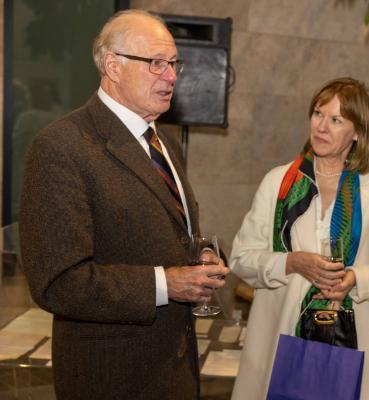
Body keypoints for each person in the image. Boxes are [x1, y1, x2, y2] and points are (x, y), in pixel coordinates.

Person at [19, 10, 229, 400]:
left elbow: (167, 227)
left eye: (173, 64)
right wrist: (167, 283)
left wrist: (198, 253)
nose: (171, 76)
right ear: (113, 66)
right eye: (156, 63)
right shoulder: (61, 147)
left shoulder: (162, 143)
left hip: (174, 368)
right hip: (111, 377)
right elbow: (59, 283)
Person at [230, 77, 369, 399]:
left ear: (357, 132)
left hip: (353, 349)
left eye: (336, 120)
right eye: (318, 114)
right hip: (277, 342)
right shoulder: (278, 183)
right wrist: (290, 262)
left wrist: (355, 278)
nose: (322, 126)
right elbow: (240, 258)